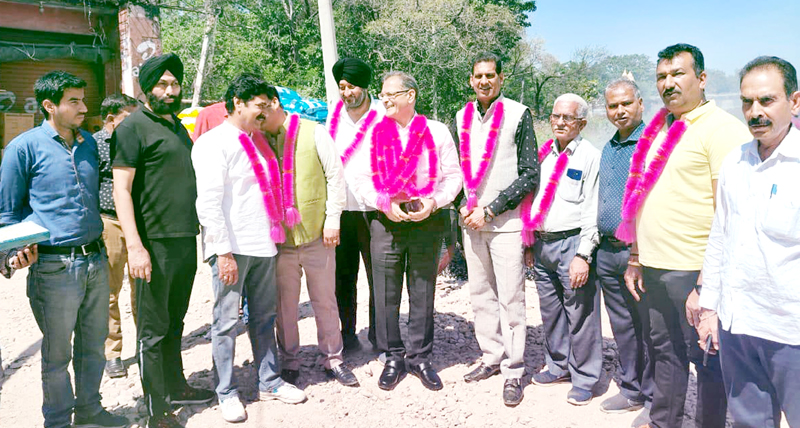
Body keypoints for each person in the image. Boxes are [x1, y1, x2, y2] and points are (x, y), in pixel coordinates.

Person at [620, 44, 751, 428]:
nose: (668, 83)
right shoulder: (659, 128)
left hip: (695, 271)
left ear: (702, 78)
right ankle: (664, 421)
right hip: (655, 267)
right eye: (662, 76)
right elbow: (642, 196)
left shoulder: (722, 130)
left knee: (708, 361)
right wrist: (636, 257)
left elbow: (729, 214)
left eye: (678, 74)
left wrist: (705, 285)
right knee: (665, 352)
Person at [0, 70, 128, 428]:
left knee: (93, 346)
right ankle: (57, 421)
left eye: (83, 100)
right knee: (58, 355)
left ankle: (89, 411)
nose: (83, 108)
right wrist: (12, 254)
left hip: (95, 260)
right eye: (74, 101)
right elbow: (7, 213)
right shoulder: (23, 148)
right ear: (49, 105)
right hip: (54, 268)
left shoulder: (89, 145)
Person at [193, 74, 308, 423]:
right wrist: (223, 252)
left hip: (263, 245)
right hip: (232, 248)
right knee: (226, 322)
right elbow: (208, 203)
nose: (265, 112)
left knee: (263, 317)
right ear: (238, 103)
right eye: (260, 105)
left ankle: (269, 381)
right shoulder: (213, 143)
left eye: (269, 105)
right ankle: (226, 392)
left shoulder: (259, 140)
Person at [111, 53, 214, 428]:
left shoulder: (177, 127)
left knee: (175, 321)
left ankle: (176, 386)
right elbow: (122, 190)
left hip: (184, 239)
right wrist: (135, 246)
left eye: (174, 84)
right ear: (147, 89)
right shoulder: (132, 128)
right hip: (152, 243)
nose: (170, 91)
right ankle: (157, 411)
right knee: (152, 331)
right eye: (162, 85)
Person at [698, 56, 800, 428]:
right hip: (737, 326)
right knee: (749, 422)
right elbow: (720, 237)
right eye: (747, 102)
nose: (755, 112)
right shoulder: (735, 163)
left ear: (795, 101)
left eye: (767, 100)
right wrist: (709, 308)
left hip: (790, 331)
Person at [352, 71, 462, 392]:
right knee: (385, 292)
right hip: (386, 220)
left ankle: (420, 357)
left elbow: (453, 177)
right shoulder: (373, 131)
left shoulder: (436, 131)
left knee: (422, 289)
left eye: (391, 94)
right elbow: (360, 179)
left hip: (427, 219)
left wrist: (434, 202)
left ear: (410, 96)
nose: (384, 100)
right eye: (382, 94)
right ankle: (393, 357)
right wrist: (384, 204)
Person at [455, 52, 539, 406]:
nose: (484, 81)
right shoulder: (461, 116)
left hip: (505, 224)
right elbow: (457, 169)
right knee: (480, 294)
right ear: (471, 80)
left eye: (491, 75)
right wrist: (462, 204)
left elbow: (530, 174)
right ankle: (491, 356)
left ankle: (514, 370)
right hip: (472, 223)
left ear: (501, 78)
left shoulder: (519, 115)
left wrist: (490, 210)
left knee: (511, 299)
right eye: (478, 76)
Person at [261, 81, 355, 388]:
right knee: (285, 306)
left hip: (317, 235)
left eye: (262, 108)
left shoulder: (313, 131)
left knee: (325, 300)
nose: (258, 116)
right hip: (280, 241)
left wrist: (333, 220)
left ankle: (333, 358)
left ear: (275, 103)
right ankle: (290, 361)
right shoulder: (258, 139)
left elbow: (335, 177)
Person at [525, 93, 601, 406]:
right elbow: (532, 199)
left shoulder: (589, 156)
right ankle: (558, 366)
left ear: (581, 123)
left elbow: (592, 208)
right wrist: (530, 242)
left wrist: (583, 255)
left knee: (580, 314)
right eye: (555, 116)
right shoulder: (543, 154)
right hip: (542, 243)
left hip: (572, 243)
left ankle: (585, 378)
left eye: (567, 118)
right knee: (551, 312)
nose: (559, 122)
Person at [595, 79, 653, 421]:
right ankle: (631, 389)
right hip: (608, 252)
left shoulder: (651, 143)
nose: (619, 111)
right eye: (613, 106)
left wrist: (638, 254)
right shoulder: (609, 148)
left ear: (640, 104)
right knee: (623, 327)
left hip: (639, 254)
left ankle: (655, 398)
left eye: (626, 104)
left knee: (650, 328)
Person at [327, 58, 384, 352]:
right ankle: (347, 336)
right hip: (343, 210)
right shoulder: (333, 117)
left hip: (376, 211)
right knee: (343, 278)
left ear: (365, 86)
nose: (347, 93)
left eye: (352, 87)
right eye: (342, 87)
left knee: (379, 278)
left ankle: (379, 337)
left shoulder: (383, 115)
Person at [95, 93, 139, 379]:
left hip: (137, 223)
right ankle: (113, 353)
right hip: (109, 222)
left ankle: (147, 345)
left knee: (143, 288)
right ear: (111, 119)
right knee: (109, 292)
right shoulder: (94, 145)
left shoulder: (137, 140)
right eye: (129, 117)